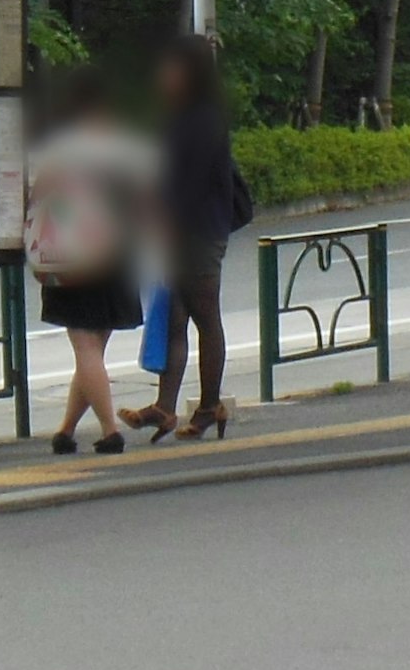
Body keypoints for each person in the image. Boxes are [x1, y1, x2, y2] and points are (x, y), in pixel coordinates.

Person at [20, 71, 156, 456]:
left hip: (72, 252)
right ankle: (65, 431)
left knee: (85, 346)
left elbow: (41, 192)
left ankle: (110, 430)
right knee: (93, 347)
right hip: (116, 253)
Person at [129, 33, 245, 442]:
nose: (163, 75)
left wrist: (165, 219)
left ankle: (210, 404)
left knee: (202, 314)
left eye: (171, 68)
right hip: (182, 230)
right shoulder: (179, 115)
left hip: (197, 232)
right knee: (175, 315)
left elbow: (189, 183)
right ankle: (165, 407)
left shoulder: (203, 119)